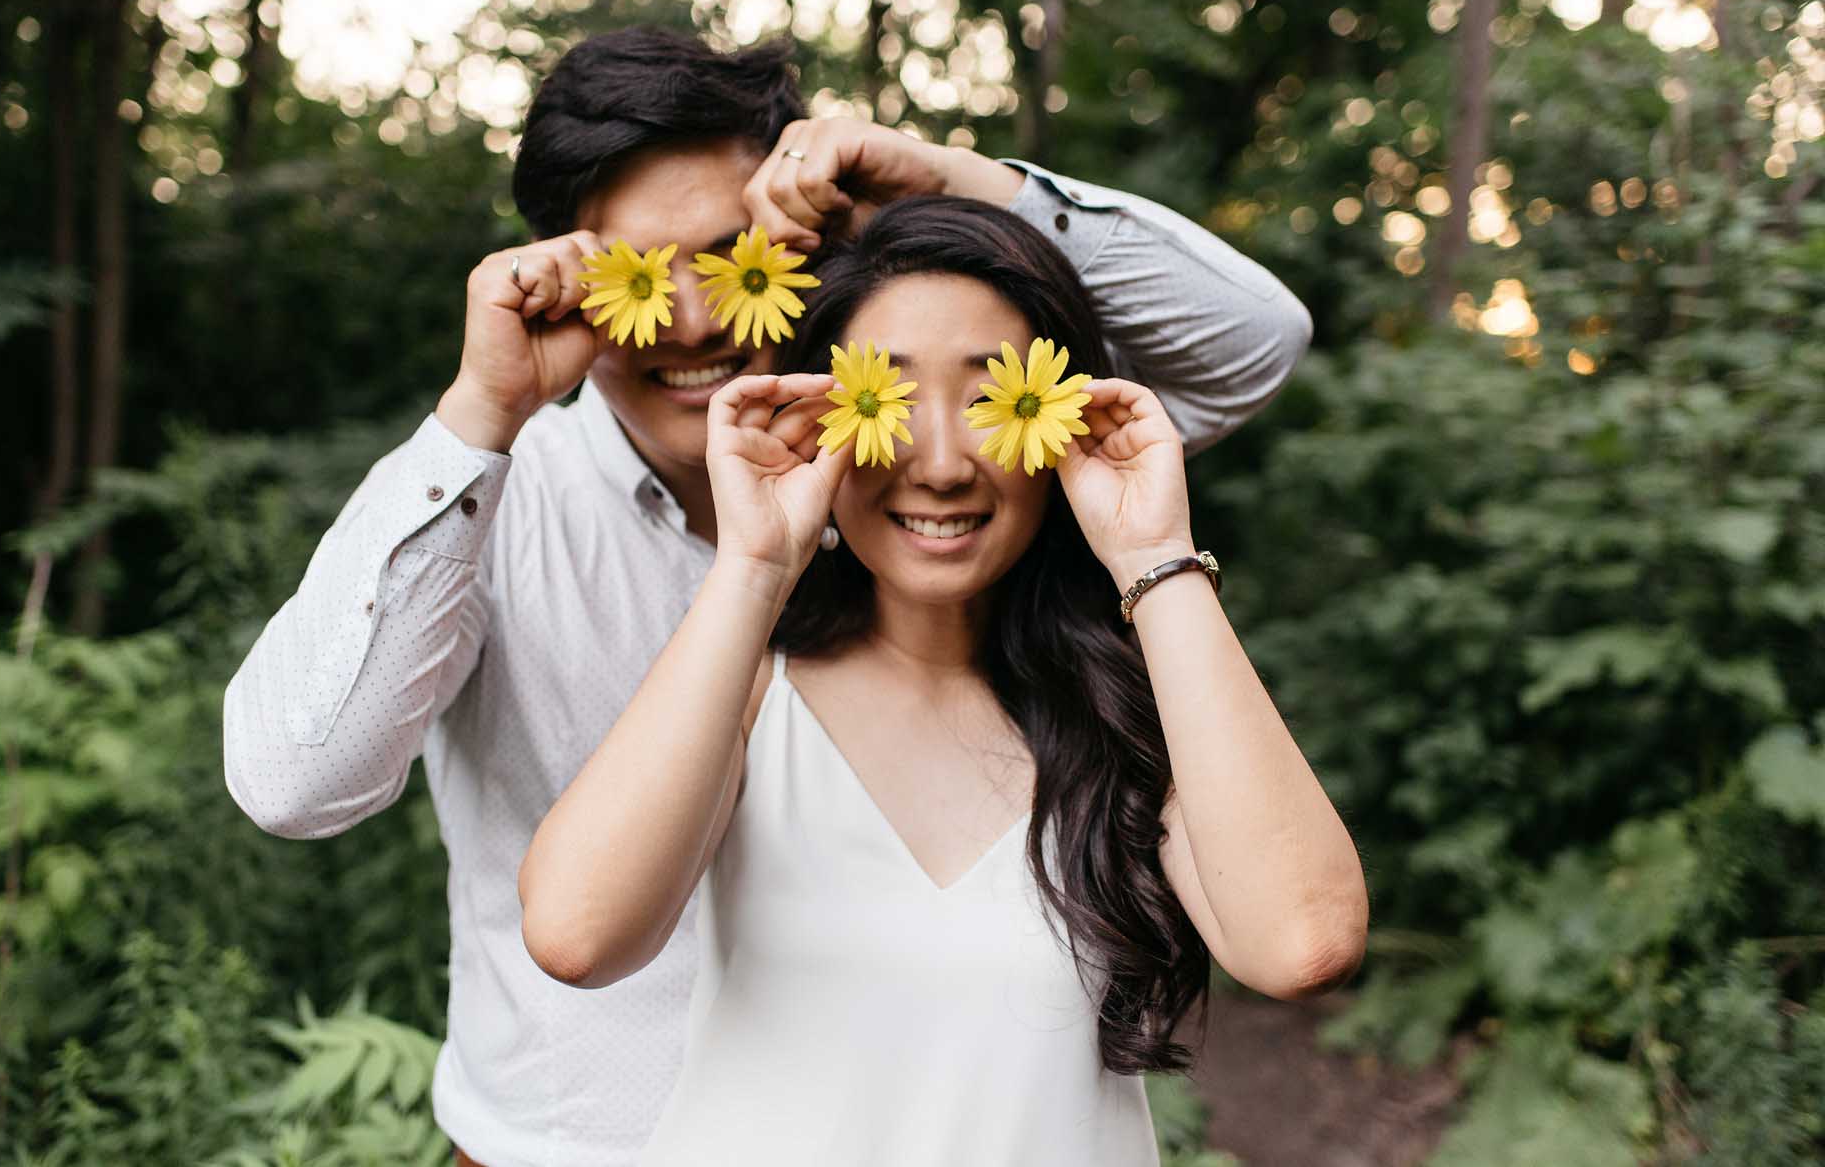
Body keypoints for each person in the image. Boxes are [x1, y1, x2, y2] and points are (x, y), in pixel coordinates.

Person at [222, 26, 1315, 1167]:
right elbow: (295, 781)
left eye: (732, 257)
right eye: (637, 276)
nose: (693, 320)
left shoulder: (925, 502)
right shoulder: (496, 500)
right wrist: (476, 419)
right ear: (558, 275)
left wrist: (954, 181)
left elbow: (1249, 345)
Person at [518, 197, 1368, 1164]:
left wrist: (1153, 554)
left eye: (987, 397)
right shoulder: (749, 687)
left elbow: (1303, 943)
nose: (941, 462)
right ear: (816, 418)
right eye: (881, 398)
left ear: (1060, 419)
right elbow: (576, 933)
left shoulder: (1135, 707)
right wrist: (754, 566)